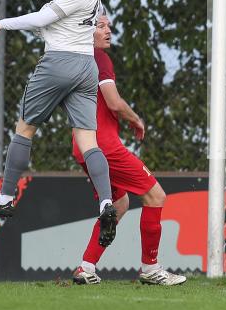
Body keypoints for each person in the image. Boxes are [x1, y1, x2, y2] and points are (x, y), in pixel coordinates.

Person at [0, 0, 117, 248]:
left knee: (24, 129)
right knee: (87, 140)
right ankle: (105, 204)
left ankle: (6, 198)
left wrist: (1, 23)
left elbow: (41, 20)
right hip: (85, 67)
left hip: (59, 63)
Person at [70, 16, 185, 286]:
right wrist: (135, 119)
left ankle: (86, 267)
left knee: (118, 204)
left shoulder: (73, 61)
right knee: (156, 196)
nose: (108, 30)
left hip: (82, 145)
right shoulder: (98, 58)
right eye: (101, 26)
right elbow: (114, 102)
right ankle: (151, 268)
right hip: (104, 146)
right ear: (86, 32)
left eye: (108, 26)